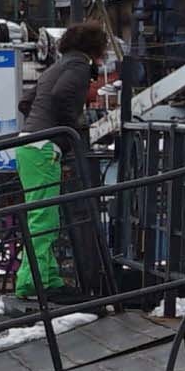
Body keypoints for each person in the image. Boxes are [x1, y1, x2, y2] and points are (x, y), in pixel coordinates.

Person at [15, 21, 109, 299]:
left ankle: (48, 276)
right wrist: (70, 130)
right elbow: (61, 96)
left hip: (30, 143)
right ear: (95, 47)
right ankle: (33, 282)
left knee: (44, 214)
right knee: (44, 217)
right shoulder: (78, 66)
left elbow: (26, 102)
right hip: (44, 146)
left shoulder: (58, 65)